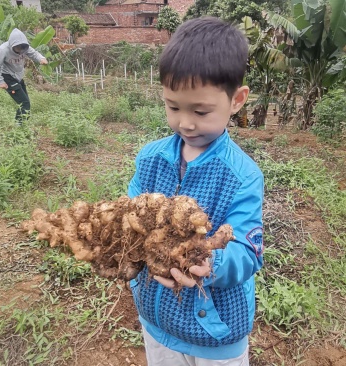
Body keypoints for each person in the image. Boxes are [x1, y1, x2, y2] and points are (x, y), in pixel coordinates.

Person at [127, 17, 264, 366]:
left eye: (201, 111)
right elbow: (131, 209)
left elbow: (248, 251)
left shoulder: (242, 176)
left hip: (215, 334)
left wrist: (208, 261)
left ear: (236, 100)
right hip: (156, 322)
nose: (185, 122)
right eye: (173, 107)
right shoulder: (151, 158)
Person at [0, 28, 48, 125]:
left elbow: (34, 53)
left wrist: (41, 58)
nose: (20, 50)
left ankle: (21, 125)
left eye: (22, 47)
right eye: (18, 48)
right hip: (7, 77)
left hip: (18, 77)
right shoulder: (3, 50)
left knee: (25, 103)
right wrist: (1, 81)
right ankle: (19, 128)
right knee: (25, 104)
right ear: (12, 44)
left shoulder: (24, 47)